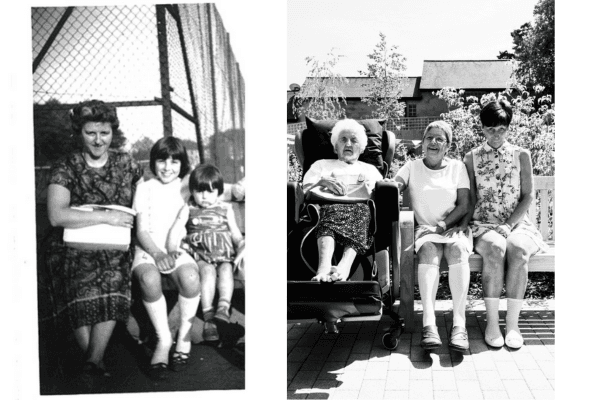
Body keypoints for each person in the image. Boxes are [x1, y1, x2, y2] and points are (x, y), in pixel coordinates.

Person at [46, 99, 143, 378]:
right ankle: (95, 358)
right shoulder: (66, 167)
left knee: (113, 271)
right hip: (71, 245)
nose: (99, 140)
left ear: (113, 132)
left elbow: (146, 202)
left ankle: (93, 359)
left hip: (114, 245)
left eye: (105, 132)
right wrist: (106, 217)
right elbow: (56, 215)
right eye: (91, 133)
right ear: (79, 133)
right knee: (72, 273)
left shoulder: (127, 164)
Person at [464, 99, 548, 349]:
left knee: (518, 249)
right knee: (496, 248)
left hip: (517, 224)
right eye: (490, 129)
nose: (496, 134)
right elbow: (470, 198)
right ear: (482, 128)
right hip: (483, 224)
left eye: (501, 129)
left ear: (509, 128)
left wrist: (509, 225)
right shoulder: (471, 158)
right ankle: (491, 323)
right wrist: (462, 225)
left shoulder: (521, 155)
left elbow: (528, 195)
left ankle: (512, 324)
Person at [393, 120, 472, 352]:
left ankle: (460, 325)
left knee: (457, 250)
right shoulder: (412, 166)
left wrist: (444, 225)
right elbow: (395, 184)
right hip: (425, 230)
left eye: (440, 139)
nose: (434, 142)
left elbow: (465, 204)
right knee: (428, 250)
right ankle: (429, 324)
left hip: (453, 227)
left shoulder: (457, 167)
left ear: (448, 146)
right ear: (423, 142)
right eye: (429, 138)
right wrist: (390, 185)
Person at [131, 137, 201, 379]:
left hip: (177, 249)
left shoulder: (187, 187)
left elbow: (221, 188)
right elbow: (141, 230)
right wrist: (158, 254)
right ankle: (164, 340)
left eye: (174, 161)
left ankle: (184, 338)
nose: (167, 167)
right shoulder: (144, 187)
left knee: (191, 277)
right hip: (149, 250)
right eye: (162, 160)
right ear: (153, 162)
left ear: (183, 164)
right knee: (149, 279)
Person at [167, 165, 245, 343]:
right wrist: (172, 250)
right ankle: (208, 317)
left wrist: (241, 243)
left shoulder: (226, 208)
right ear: (192, 191)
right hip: (201, 255)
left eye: (210, 192)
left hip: (224, 254)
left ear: (218, 192)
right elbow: (175, 229)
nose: (204, 197)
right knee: (208, 272)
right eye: (199, 192)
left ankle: (223, 308)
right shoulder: (188, 208)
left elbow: (234, 233)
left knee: (226, 270)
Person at [302, 119, 383, 283]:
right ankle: (323, 269)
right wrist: (321, 182)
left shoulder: (369, 169)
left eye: (354, 140)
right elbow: (303, 192)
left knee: (363, 211)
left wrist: (371, 190)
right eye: (343, 139)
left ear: (361, 148)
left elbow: (382, 195)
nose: (348, 144)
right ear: (335, 146)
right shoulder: (321, 165)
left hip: (360, 211)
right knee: (329, 211)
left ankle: (344, 267)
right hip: (326, 209)